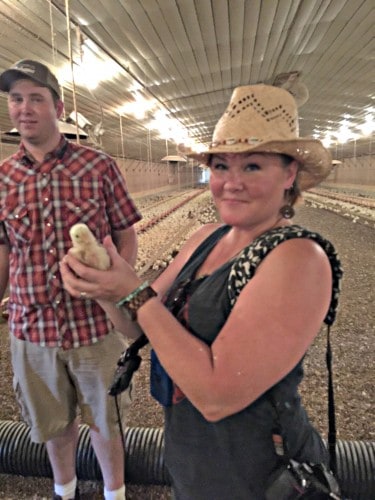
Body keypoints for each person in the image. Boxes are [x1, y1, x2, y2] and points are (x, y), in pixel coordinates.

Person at [60, 84, 343, 499]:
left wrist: (130, 288)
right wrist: (105, 287)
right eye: (221, 166)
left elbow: (215, 395)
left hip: (257, 472)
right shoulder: (207, 237)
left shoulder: (298, 258)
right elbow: (139, 327)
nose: (231, 182)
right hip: (195, 459)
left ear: (289, 174)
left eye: (252, 167)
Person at [0, 59, 141, 500]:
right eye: (16, 99)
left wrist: (121, 297)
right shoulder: (2, 177)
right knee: (53, 425)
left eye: (36, 98)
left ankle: (113, 493)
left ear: (58, 107)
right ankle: (66, 490)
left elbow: (125, 232)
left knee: (106, 420)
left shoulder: (98, 166)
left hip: (93, 326)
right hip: (30, 327)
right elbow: (3, 249)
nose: (24, 108)